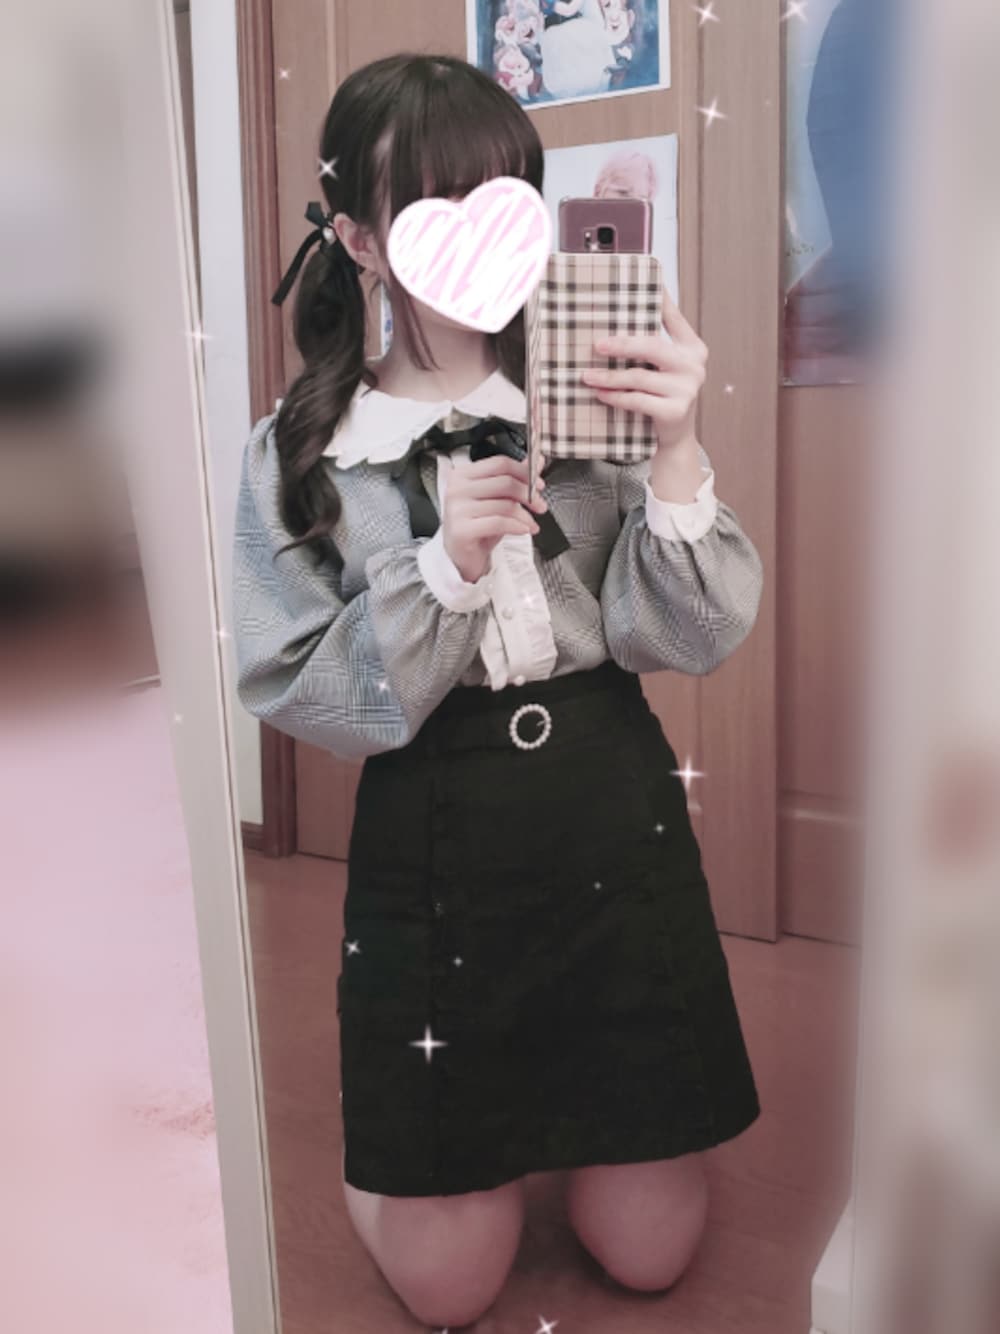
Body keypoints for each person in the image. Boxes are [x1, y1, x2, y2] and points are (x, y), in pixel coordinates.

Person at [233, 52, 763, 1330]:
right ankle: (420, 1142)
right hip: (431, 825)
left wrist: (676, 444)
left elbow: (681, 634)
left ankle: (582, 1127)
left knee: (647, 1250)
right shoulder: (303, 449)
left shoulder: (593, 391)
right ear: (359, 238)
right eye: (435, 206)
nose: (482, 237)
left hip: (607, 806)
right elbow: (290, 680)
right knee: (449, 1287)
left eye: (505, 198)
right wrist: (439, 571)